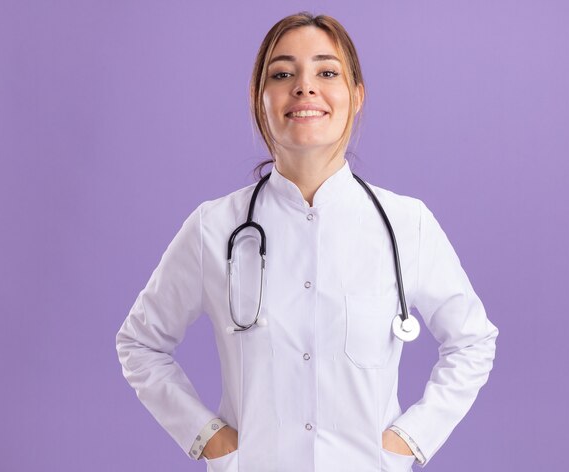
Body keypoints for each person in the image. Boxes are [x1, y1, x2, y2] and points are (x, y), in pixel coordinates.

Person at [116, 11, 499, 472]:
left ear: (356, 96)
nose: (304, 87)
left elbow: (473, 342)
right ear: (261, 100)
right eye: (282, 74)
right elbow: (140, 343)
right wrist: (207, 438)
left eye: (326, 71)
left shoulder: (406, 224)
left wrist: (409, 440)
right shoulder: (214, 227)